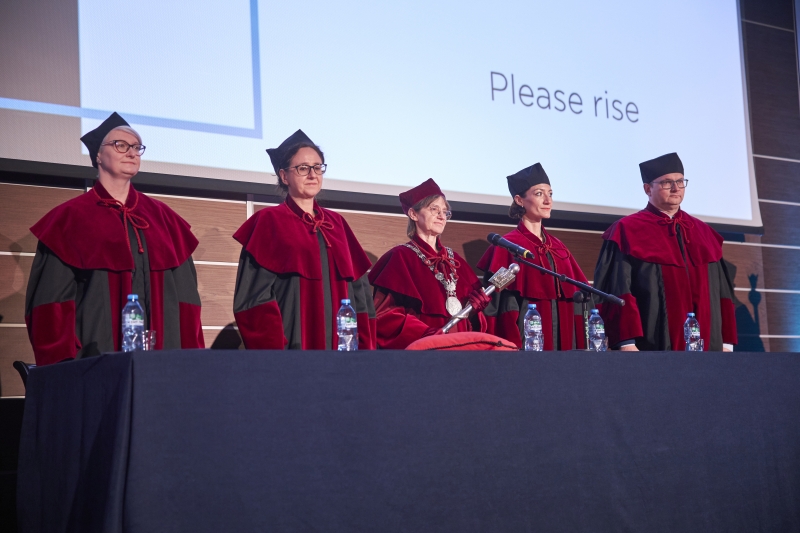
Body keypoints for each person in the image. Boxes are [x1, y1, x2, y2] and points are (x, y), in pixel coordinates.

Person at [25, 112, 204, 365]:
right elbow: (50, 306)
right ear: (98, 155)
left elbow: (187, 304)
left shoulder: (165, 219)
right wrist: (64, 367)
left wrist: (191, 362)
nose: (131, 152)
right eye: (121, 145)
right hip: (93, 362)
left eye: (136, 147)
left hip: (164, 365)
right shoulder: (69, 219)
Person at [232, 129, 376, 349]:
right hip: (293, 353)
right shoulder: (269, 221)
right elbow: (254, 300)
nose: (313, 175)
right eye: (303, 168)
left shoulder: (337, 224)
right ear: (284, 176)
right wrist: (276, 357)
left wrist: (365, 349)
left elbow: (361, 294)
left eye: (318, 167)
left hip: (343, 353)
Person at [593, 152, 737, 351]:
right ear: (647, 189)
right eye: (667, 182)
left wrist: (726, 342)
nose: (676, 188)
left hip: (709, 347)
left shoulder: (703, 232)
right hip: (651, 348)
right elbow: (619, 289)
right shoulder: (627, 230)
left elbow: (722, 293)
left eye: (680, 181)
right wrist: (626, 342)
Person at [477, 163, 589, 350]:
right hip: (527, 347)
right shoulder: (507, 247)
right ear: (520, 200)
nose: (548, 200)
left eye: (550, 194)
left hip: (567, 346)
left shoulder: (559, 248)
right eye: (539, 194)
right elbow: (501, 305)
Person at [368, 179, 491, 349]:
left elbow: (466, 321)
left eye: (445, 212)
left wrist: (474, 311)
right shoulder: (399, 257)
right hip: (423, 352)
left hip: (461, 350)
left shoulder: (455, 260)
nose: (442, 216)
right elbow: (385, 316)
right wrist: (424, 334)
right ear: (413, 214)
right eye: (434, 209)